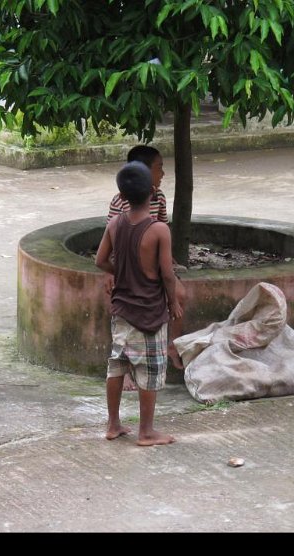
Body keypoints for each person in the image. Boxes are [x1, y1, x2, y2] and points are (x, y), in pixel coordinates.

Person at [96, 161, 183, 446]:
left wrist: (119, 273)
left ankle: (113, 424)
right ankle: (146, 431)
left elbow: (100, 261)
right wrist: (173, 304)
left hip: (121, 309)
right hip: (149, 312)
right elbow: (167, 274)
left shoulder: (114, 224)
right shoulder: (159, 230)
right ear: (153, 192)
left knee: (117, 365)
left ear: (121, 196)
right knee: (150, 370)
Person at [106, 146, 186, 388]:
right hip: (129, 269)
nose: (162, 173)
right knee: (118, 308)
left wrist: (168, 261)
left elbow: (163, 228)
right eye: (159, 168)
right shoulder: (119, 202)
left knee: (180, 295)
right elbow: (111, 242)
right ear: (142, 173)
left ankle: (172, 345)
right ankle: (125, 367)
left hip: (152, 269)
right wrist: (111, 273)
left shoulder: (159, 197)